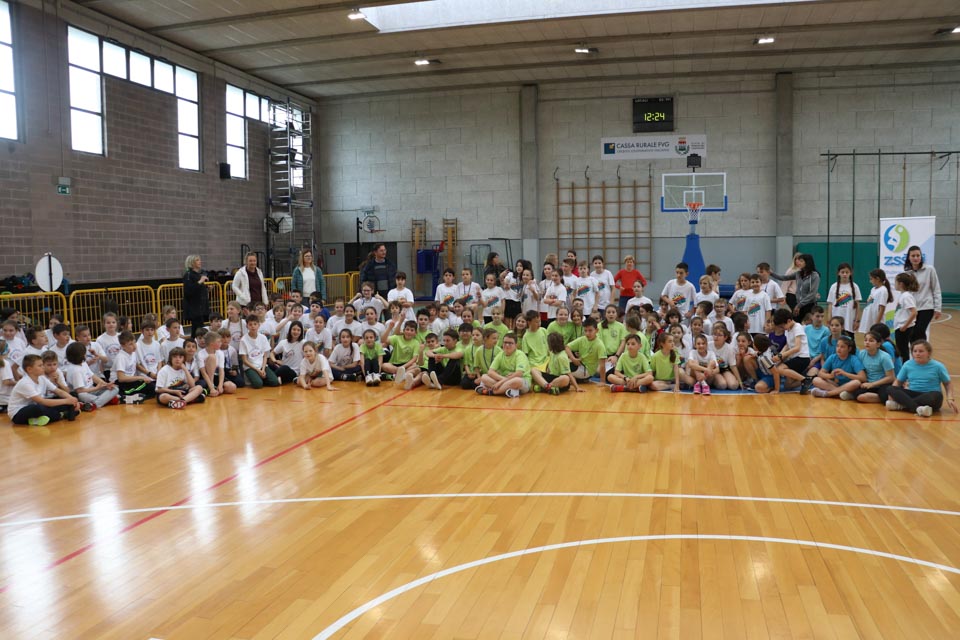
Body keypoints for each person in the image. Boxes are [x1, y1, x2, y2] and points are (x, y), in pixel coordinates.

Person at [883, 340, 956, 417]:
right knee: (890, 388)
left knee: (937, 395)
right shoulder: (908, 364)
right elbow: (898, 382)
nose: (917, 354)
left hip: (930, 395)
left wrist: (950, 398)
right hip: (913, 394)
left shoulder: (938, 366)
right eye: (915, 351)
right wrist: (891, 395)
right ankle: (918, 409)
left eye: (921, 351)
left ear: (929, 353)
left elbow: (947, 383)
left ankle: (902, 406)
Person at [7, 354, 80, 426]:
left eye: (42, 365)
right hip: (18, 414)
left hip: (39, 406)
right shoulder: (25, 383)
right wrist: (66, 401)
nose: (43, 367)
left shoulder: (42, 378)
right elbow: (42, 401)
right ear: (29, 369)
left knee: (71, 396)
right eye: (40, 366)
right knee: (37, 408)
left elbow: (59, 391)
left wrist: (73, 400)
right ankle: (61, 415)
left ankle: (56, 415)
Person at [903, 245, 942, 340]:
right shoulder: (907, 273)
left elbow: (936, 289)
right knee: (912, 334)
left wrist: (938, 308)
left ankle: (922, 348)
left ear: (921, 256)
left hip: (927, 307)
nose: (916, 258)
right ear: (909, 257)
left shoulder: (930, 269)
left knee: (919, 331)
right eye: (913, 256)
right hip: (912, 308)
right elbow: (905, 292)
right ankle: (918, 349)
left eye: (918, 255)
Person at [64, 342, 119, 409]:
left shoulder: (83, 363)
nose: (85, 354)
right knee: (82, 395)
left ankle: (95, 403)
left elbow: (92, 376)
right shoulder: (75, 370)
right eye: (84, 353)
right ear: (81, 355)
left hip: (92, 390)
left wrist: (106, 384)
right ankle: (99, 403)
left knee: (114, 388)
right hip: (83, 393)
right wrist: (97, 388)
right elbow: (80, 391)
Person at [476, 332, 530, 398]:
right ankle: (511, 391)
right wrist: (503, 380)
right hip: (506, 381)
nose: (507, 345)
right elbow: (490, 372)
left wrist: (501, 382)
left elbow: (519, 374)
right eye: (505, 342)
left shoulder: (520, 354)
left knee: (517, 380)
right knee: (484, 377)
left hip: (522, 382)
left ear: (516, 345)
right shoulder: (500, 354)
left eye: (510, 343)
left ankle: (492, 392)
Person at [848, 329, 895, 403]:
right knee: (857, 394)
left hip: (882, 384)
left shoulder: (884, 357)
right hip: (868, 383)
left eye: (871, 341)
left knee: (884, 395)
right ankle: (874, 397)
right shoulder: (862, 354)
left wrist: (872, 384)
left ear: (878, 344)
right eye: (865, 340)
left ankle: (881, 398)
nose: (867, 342)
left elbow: (891, 377)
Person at [770, 253, 821, 322]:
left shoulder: (815, 275)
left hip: (809, 305)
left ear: (807, 262)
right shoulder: (798, 273)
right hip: (798, 304)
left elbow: (812, 294)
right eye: (799, 261)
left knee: (809, 323)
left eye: (801, 261)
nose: (799, 262)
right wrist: (771, 273)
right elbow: (784, 278)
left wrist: (799, 305)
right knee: (796, 322)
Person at [240, 316, 280, 389]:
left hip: (262, 365)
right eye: (250, 324)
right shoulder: (243, 340)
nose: (253, 326)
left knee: (275, 382)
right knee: (258, 384)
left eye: (255, 324)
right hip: (250, 367)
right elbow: (245, 361)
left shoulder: (263, 337)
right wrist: (258, 370)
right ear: (247, 326)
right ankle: (259, 378)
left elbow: (265, 356)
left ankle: (261, 376)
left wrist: (263, 369)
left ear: (258, 325)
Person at [826, 262, 861, 335]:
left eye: (847, 272)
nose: (845, 274)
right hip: (836, 322)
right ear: (838, 273)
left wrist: (857, 320)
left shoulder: (855, 287)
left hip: (849, 321)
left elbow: (857, 305)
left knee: (849, 339)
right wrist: (829, 319)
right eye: (842, 272)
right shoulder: (833, 287)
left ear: (850, 273)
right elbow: (830, 304)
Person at [198, 331, 237, 397]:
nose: (221, 343)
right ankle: (210, 388)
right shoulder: (201, 354)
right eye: (218, 342)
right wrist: (211, 387)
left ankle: (214, 390)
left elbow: (221, 371)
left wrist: (220, 385)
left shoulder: (220, 353)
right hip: (206, 378)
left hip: (216, 376)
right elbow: (203, 373)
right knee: (212, 357)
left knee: (232, 387)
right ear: (212, 344)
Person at [182, 254, 210, 338]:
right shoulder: (188, 275)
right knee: (198, 330)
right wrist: (200, 281)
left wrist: (207, 288)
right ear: (192, 262)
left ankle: (194, 342)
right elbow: (188, 291)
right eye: (197, 260)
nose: (200, 262)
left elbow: (198, 289)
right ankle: (195, 342)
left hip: (200, 307)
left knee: (196, 330)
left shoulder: (197, 274)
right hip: (194, 308)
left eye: (199, 260)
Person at [893, 272, 918, 362]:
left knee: (903, 350)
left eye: (896, 282)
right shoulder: (902, 295)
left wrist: (905, 326)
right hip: (900, 327)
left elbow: (914, 312)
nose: (894, 284)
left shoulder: (906, 296)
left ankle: (905, 367)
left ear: (901, 284)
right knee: (901, 349)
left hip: (904, 328)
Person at [859, 269, 891, 339]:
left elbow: (882, 308)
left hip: (876, 321)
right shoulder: (873, 289)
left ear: (878, 279)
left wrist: (877, 324)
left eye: (871, 279)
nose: (870, 281)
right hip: (869, 319)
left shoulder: (883, 290)